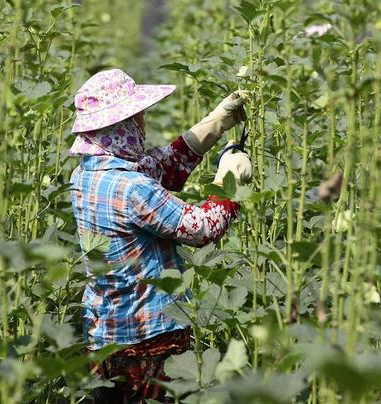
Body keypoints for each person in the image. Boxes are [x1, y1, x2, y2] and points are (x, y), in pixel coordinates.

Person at [68, 68, 252, 402]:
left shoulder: (86, 176)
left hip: (105, 335)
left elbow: (163, 166)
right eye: (137, 119)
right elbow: (201, 227)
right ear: (119, 128)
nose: (143, 125)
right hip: (149, 337)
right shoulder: (133, 189)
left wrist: (216, 122)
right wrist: (231, 183)